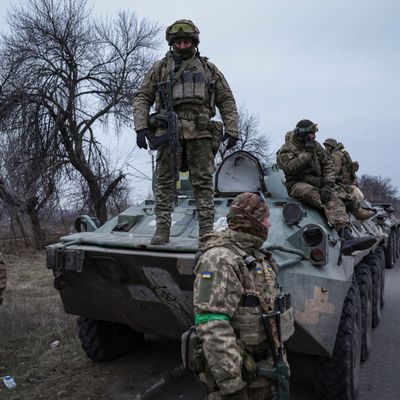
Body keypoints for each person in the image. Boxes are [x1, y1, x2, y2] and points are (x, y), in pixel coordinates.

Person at [133, 19, 239, 245]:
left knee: (203, 183)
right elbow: (143, 96)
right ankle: (162, 229)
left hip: (200, 133)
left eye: (187, 41)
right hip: (168, 131)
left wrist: (232, 129)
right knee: (163, 182)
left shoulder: (209, 69)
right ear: (172, 43)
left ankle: (206, 232)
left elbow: (226, 99)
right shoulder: (160, 68)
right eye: (178, 42)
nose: (183, 46)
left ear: (194, 42)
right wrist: (141, 126)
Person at [193, 193, 292, 400]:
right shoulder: (220, 260)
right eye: (265, 218)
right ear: (252, 222)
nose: (269, 224)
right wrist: (233, 387)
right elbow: (212, 325)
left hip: (264, 372)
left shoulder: (256, 256)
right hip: (242, 380)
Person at [276, 119, 375, 247]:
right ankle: (345, 236)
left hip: (319, 182)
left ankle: (346, 236)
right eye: (311, 133)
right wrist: (307, 154)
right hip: (297, 184)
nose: (314, 136)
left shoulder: (316, 146)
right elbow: (290, 167)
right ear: (302, 134)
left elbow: (327, 165)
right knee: (316, 196)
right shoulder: (286, 149)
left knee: (333, 197)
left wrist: (328, 185)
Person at [322, 138, 374, 220]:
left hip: (340, 183)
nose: (326, 148)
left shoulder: (335, 155)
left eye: (328, 146)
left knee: (342, 197)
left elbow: (334, 171)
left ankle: (357, 212)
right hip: (345, 182)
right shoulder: (341, 153)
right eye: (325, 146)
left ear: (332, 146)